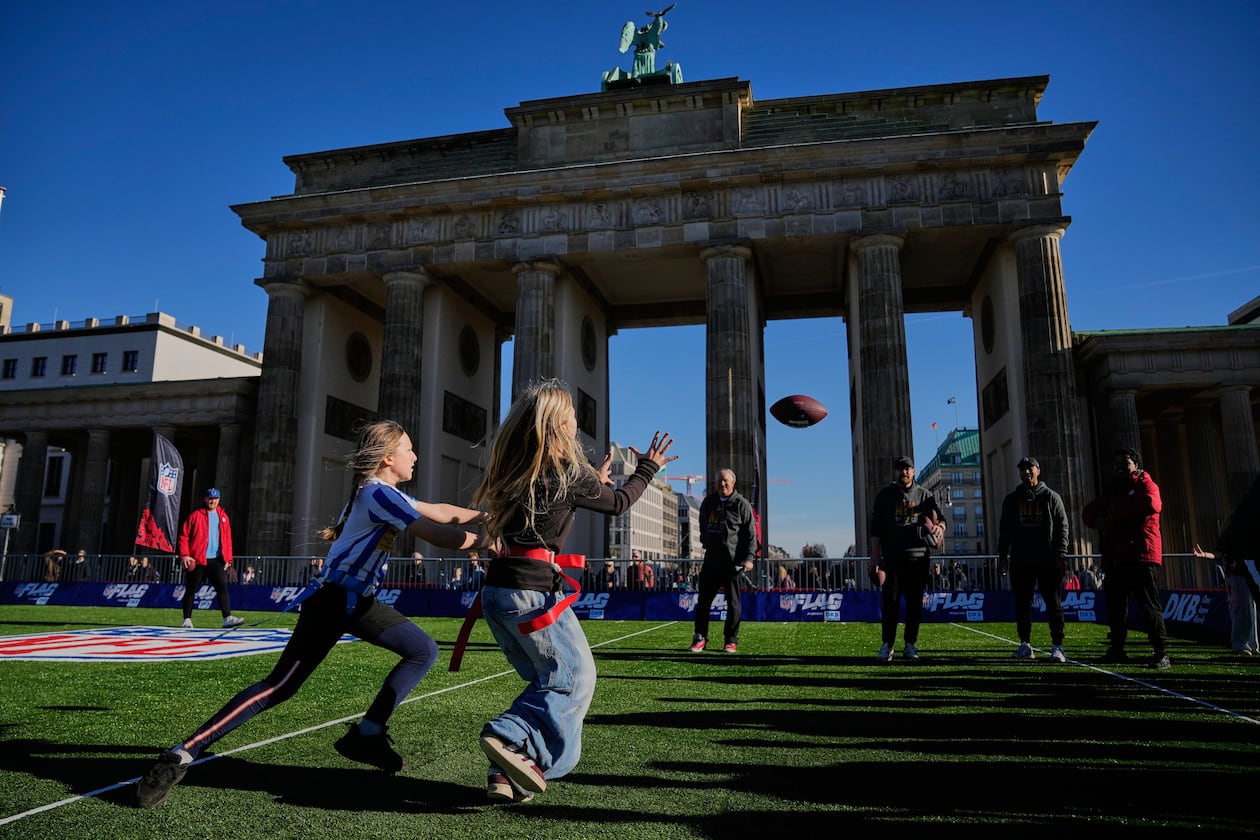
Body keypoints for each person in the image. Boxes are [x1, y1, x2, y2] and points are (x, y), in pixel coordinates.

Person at [136, 419, 495, 809]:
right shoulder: (380, 495)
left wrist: (488, 517)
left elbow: (441, 511)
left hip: (356, 602)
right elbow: (438, 532)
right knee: (278, 687)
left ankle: (368, 734)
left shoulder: (386, 493)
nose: (416, 456)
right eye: (409, 449)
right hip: (333, 601)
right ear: (388, 458)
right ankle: (180, 755)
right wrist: (494, 544)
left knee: (423, 649)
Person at [471, 379, 675, 804]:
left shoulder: (516, 465)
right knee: (574, 679)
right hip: (533, 594)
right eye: (573, 415)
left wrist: (591, 482)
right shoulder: (569, 472)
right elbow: (619, 503)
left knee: (547, 684)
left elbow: (561, 506)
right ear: (560, 423)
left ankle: (504, 773)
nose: (578, 421)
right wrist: (648, 467)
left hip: (497, 593)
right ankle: (507, 736)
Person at [1082, 447, 1171, 669]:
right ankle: (1117, 649)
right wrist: (1099, 522)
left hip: (1142, 554)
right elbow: (1088, 512)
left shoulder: (1146, 484)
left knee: (1149, 605)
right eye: (1117, 464)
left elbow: (1152, 505)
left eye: (1126, 462)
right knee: (1117, 607)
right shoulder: (1115, 491)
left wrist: (1114, 517)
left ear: (1136, 464)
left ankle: (1161, 652)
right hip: (1117, 557)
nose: (1121, 467)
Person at [867, 456, 944, 663]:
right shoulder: (885, 496)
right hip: (892, 558)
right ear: (896, 471)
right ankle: (888, 645)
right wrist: (875, 556)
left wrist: (939, 528)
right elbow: (875, 529)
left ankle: (910, 644)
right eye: (901, 469)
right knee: (890, 603)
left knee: (914, 604)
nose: (904, 472)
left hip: (918, 559)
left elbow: (941, 521)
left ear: (914, 471)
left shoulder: (925, 495)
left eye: (907, 469)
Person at [997, 456, 1070, 663]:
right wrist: (1002, 556)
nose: (1026, 472)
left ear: (1038, 470)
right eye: (1022, 469)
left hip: (1047, 560)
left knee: (1053, 603)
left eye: (1030, 468)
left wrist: (1060, 555)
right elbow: (1005, 531)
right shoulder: (1012, 500)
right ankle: (1025, 644)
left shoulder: (1051, 497)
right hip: (1021, 560)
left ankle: (1057, 646)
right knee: (1022, 604)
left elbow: (1062, 528)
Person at [689, 468, 758, 654]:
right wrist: (707, 542)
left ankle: (730, 640)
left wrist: (749, 558)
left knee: (733, 604)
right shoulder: (708, 503)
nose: (722, 484)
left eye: (726, 481)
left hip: (732, 563)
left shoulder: (741, 504)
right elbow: (703, 526)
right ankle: (700, 637)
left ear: (733, 482)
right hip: (711, 560)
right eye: (719, 481)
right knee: (703, 601)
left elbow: (751, 535)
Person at [1192, 473, 1260, 655]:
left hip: (1254, 572)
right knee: (1241, 610)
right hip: (1237, 574)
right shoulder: (1231, 531)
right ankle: (1241, 644)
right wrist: (1205, 555)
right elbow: (1220, 552)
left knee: (1252, 610)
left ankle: (1254, 644)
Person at [177, 488, 244, 630]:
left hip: (217, 560)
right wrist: (185, 555)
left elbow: (227, 539)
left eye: (215, 498)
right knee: (191, 590)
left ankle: (227, 618)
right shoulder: (195, 516)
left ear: (219, 499)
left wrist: (228, 559)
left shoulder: (223, 517)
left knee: (222, 589)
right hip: (198, 560)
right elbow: (184, 536)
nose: (212, 501)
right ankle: (187, 619)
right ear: (205, 499)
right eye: (210, 498)